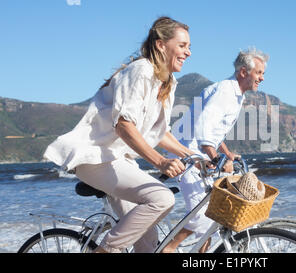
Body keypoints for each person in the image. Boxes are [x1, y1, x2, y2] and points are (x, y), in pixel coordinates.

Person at [43, 17, 196, 253]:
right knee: (163, 199)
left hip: (119, 161)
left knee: (148, 244)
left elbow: (158, 133)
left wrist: (196, 157)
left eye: (188, 46)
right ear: (161, 45)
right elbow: (123, 125)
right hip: (97, 157)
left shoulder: (166, 82)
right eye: (183, 45)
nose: (188, 52)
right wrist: (161, 161)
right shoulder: (141, 71)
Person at [162, 47, 269, 253]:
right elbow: (204, 126)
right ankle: (168, 249)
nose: (262, 78)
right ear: (243, 72)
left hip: (197, 153)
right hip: (185, 153)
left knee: (214, 212)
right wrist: (214, 155)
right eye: (259, 73)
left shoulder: (236, 94)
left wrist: (227, 153)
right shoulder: (225, 92)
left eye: (263, 73)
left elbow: (215, 131)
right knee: (202, 215)